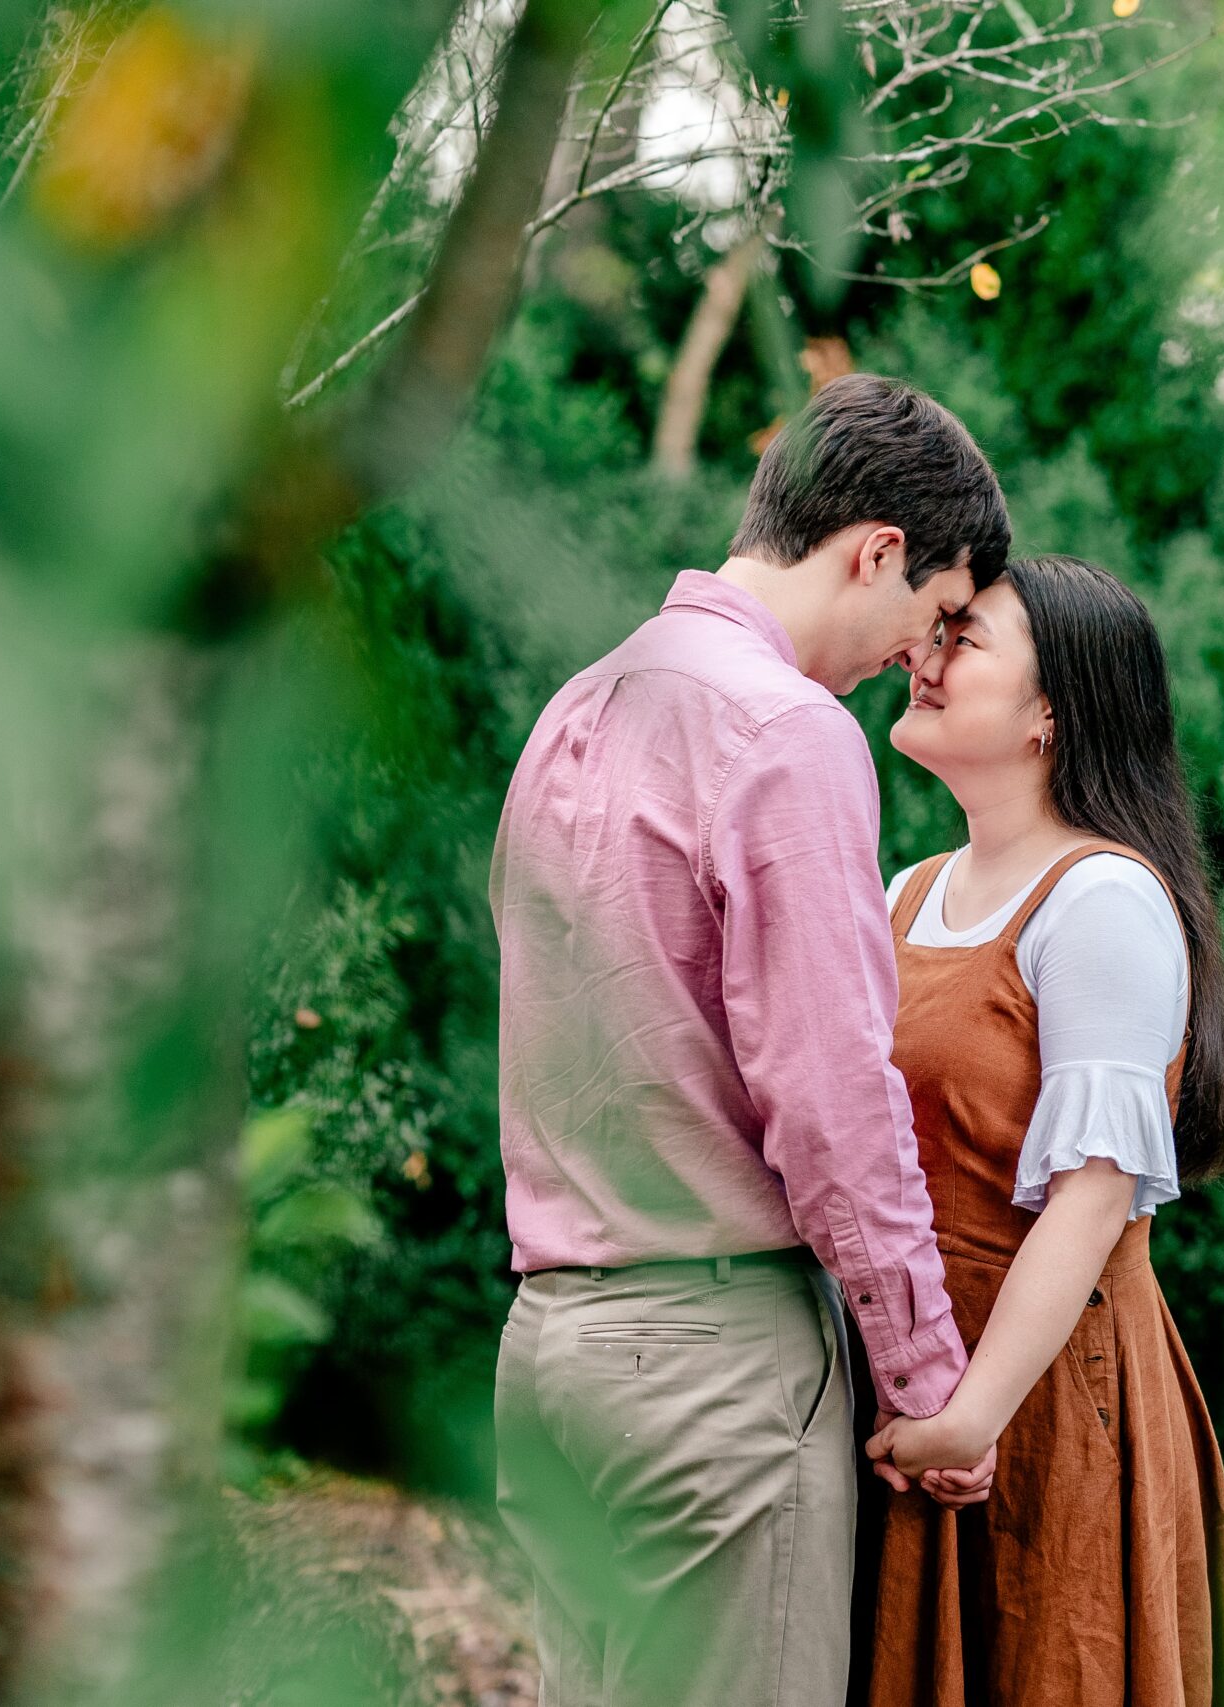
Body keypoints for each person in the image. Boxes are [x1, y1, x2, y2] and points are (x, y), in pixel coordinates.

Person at [489, 373, 1012, 1707]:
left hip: (551, 1353)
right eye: (936, 612)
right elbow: (834, 1100)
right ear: (877, 549)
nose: (920, 651)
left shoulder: (579, 704)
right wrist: (925, 1379)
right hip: (710, 1372)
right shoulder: (790, 730)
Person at [862, 555, 1224, 1706]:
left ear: (1051, 714)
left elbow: (1091, 1195)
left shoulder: (1101, 900)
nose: (920, 658)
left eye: (963, 639)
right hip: (918, 1391)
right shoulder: (907, 891)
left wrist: (972, 1416)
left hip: (1039, 1401)